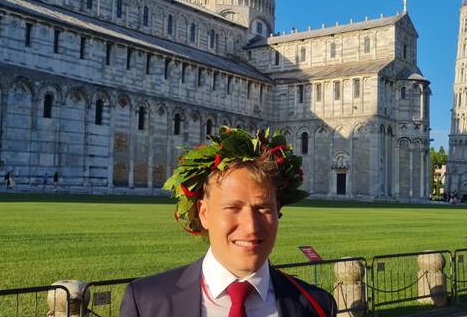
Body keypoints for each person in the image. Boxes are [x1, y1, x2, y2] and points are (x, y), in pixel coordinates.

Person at [120, 127, 337, 317]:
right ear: (203, 213)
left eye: (263, 208)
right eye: (233, 208)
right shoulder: (146, 303)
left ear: (278, 211)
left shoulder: (317, 307)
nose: (251, 226)